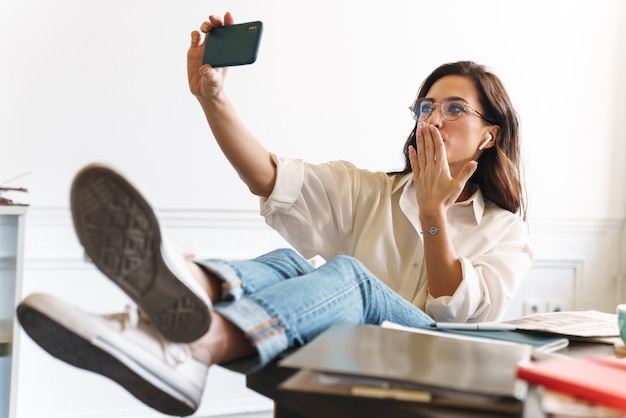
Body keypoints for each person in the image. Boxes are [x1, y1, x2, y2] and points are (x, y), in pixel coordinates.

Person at [16, 11, 533, 417]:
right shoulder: (370, 190)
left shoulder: (505, 231)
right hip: (353, 348)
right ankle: (184, 293)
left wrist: (432, 211)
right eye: (426, 107)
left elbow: (458, 317)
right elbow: (270, 177)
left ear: (489, 135)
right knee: (291, 265)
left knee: (352, 277)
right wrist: (212, 98)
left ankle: (199, 347)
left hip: (438, 363)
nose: (434, 119)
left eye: (454, 109)